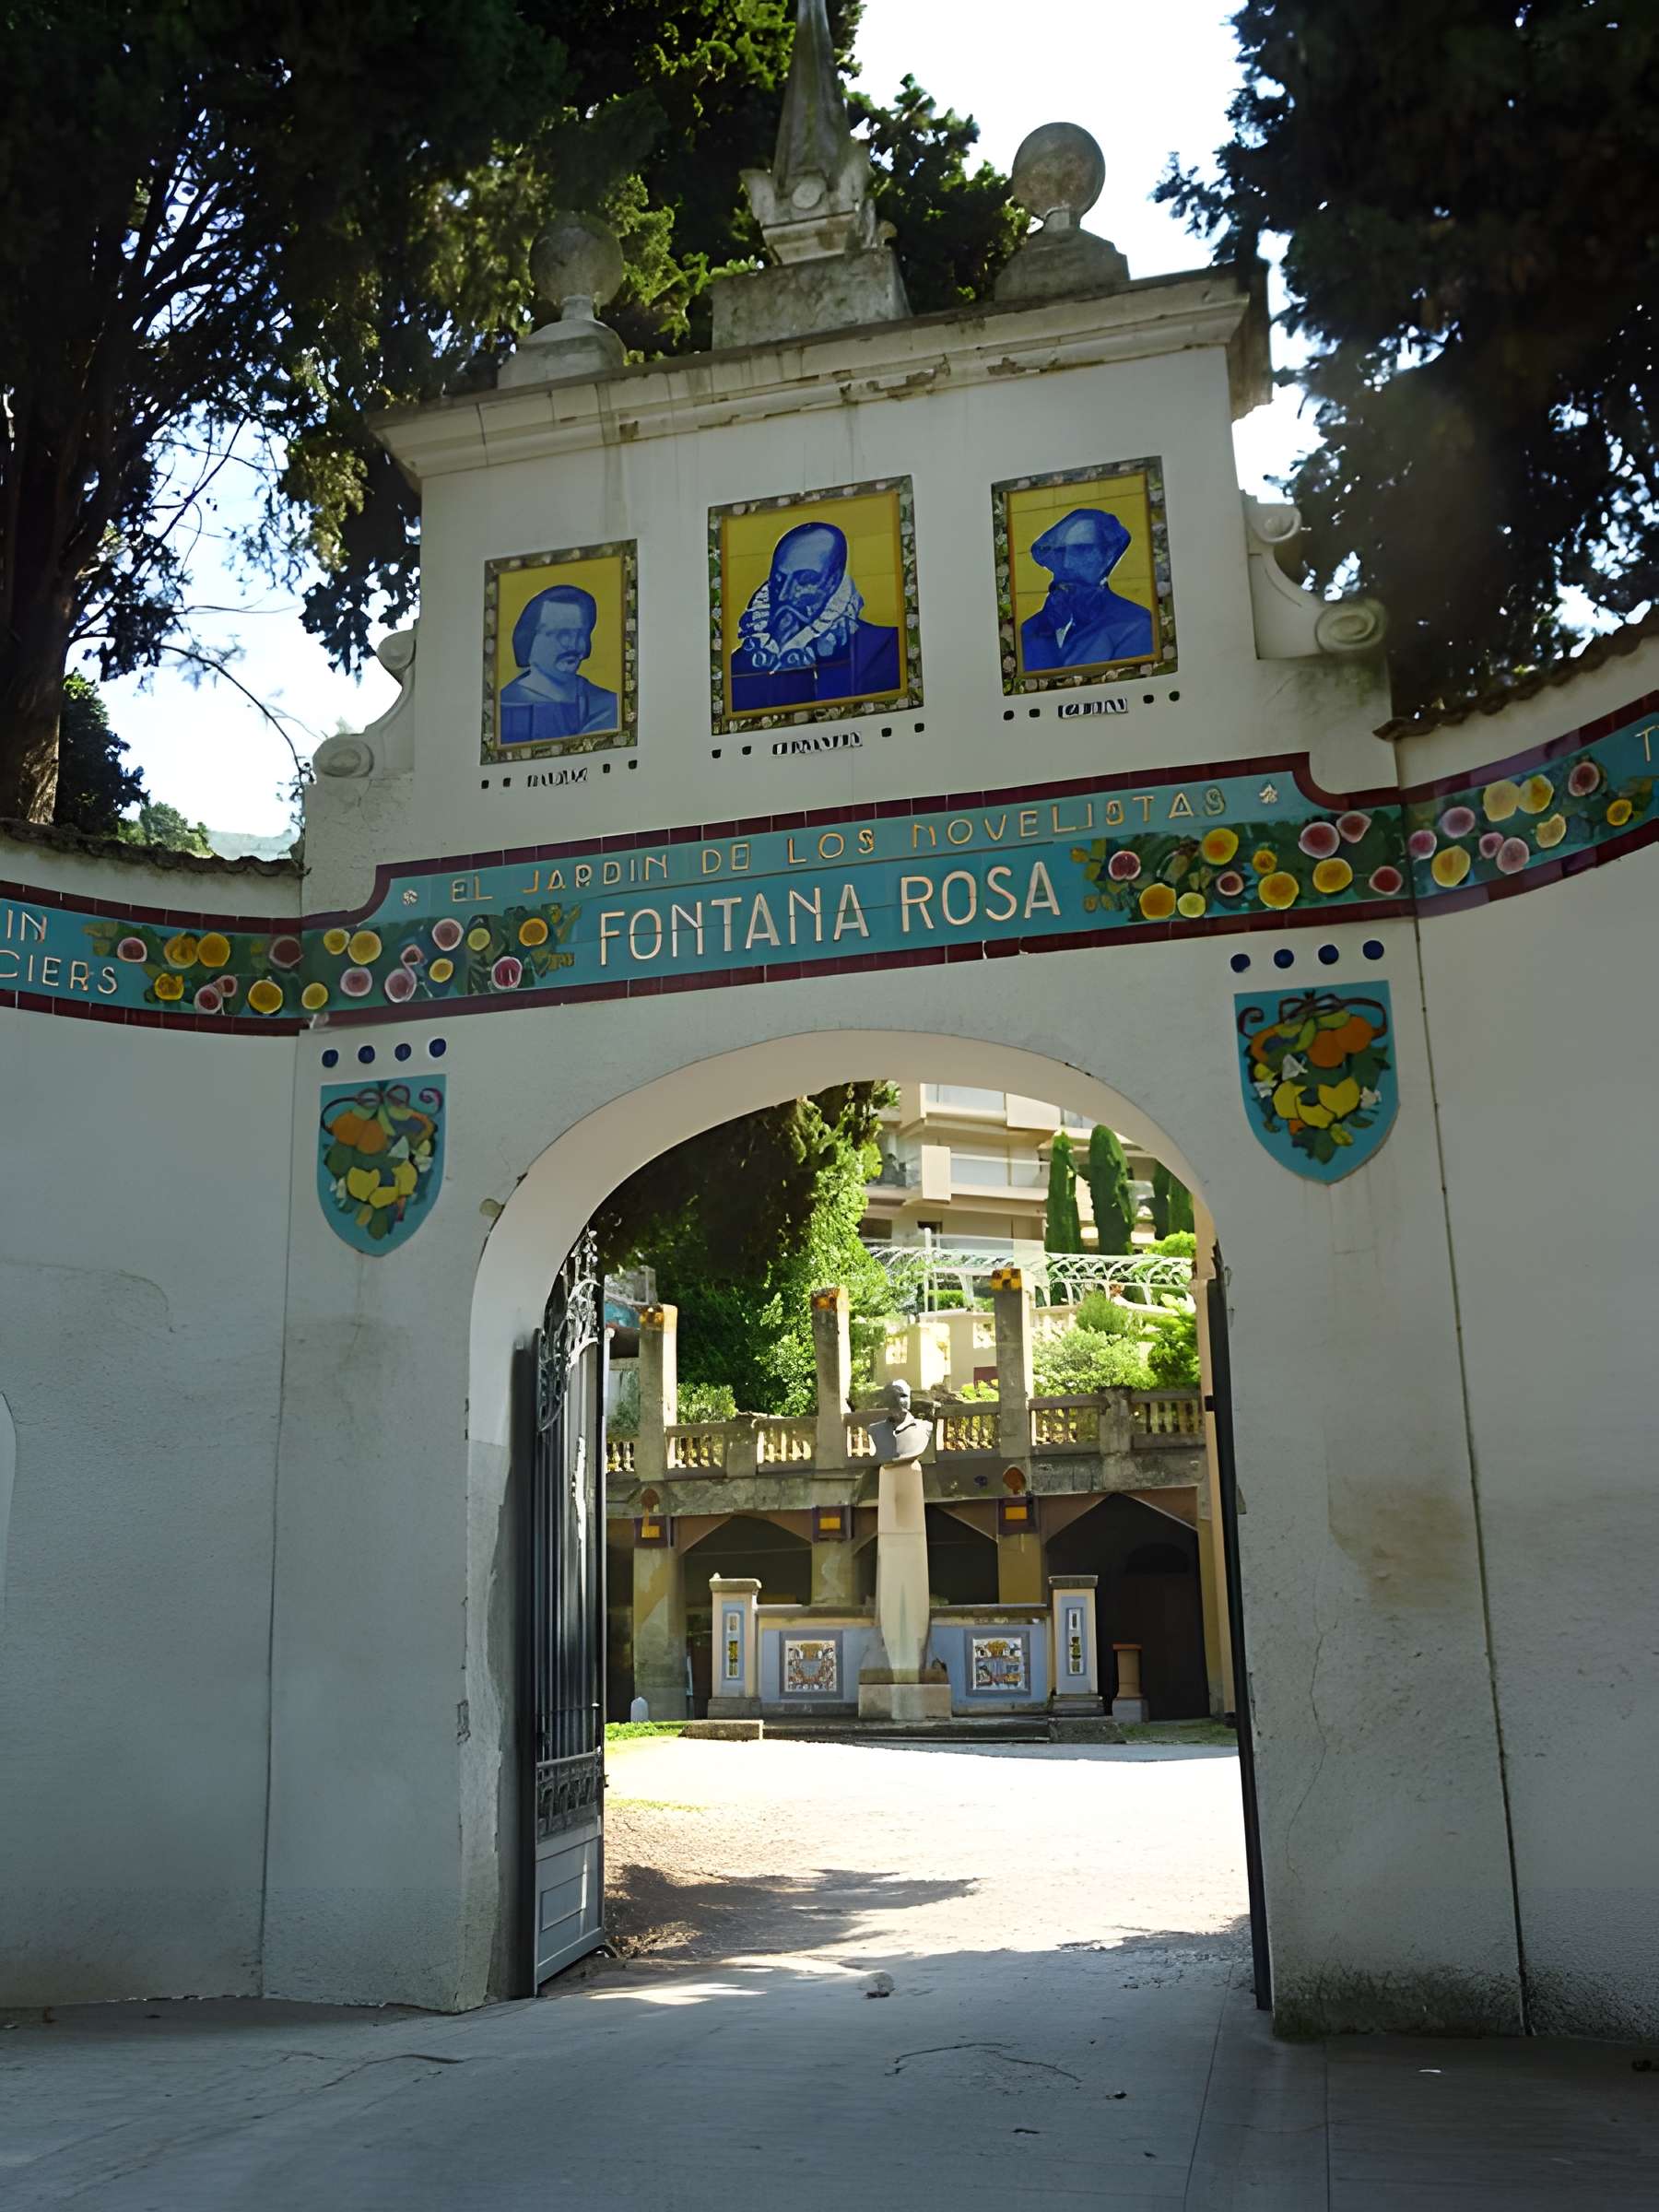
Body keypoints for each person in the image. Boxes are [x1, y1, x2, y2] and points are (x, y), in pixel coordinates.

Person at [729, 519, 900, 714]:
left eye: (805, 580)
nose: (785, 594)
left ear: (833, 581)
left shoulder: (886, 649)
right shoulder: (738, 666)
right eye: (778, 579)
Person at [1020, 507, 1153, 673]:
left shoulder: (1135, 623)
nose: (1067, 563)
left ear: (1107, 556)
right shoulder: (1029, 629)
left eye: (1082, 549)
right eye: (1061, 553)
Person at [499, 583, 618, 743]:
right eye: (561, 634)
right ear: (529, 639)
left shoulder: (607, 704)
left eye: (580, 634)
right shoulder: (506, 706)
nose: (572, 645)